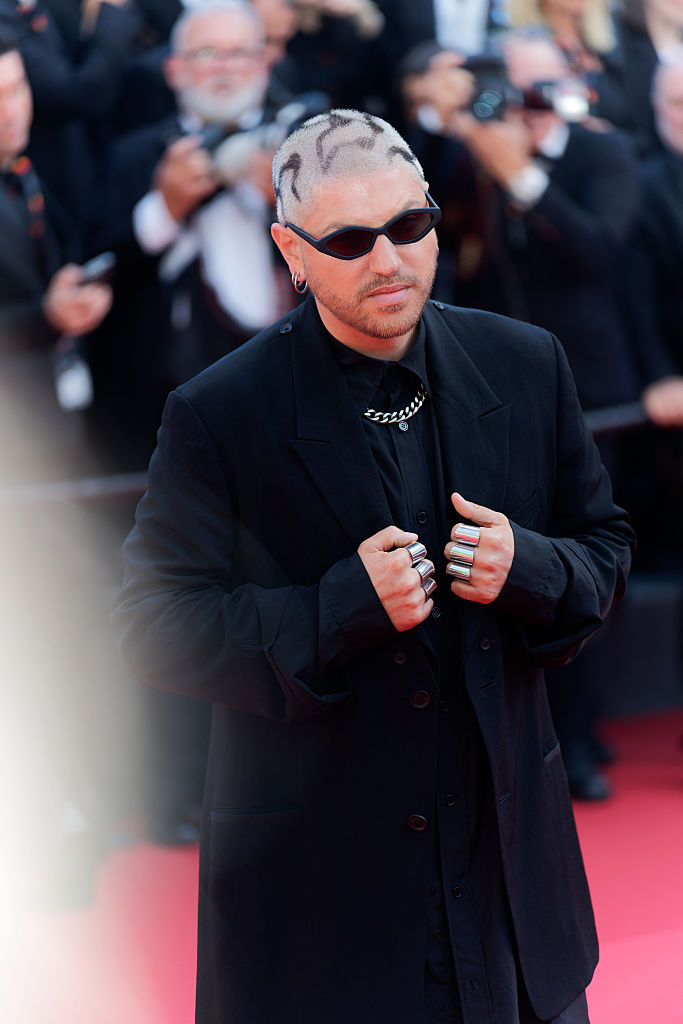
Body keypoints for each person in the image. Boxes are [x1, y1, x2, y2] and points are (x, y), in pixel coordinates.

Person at [113, 107, 635, 1023]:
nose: (389, 261)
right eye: (349, 240)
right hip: (325, 905)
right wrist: (333, 609)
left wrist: (535, 569)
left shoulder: (524, 365)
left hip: (511, 881)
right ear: (292, 250)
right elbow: (152, 625)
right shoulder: (219, 412)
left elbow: (605, 548)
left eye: (409, 226)